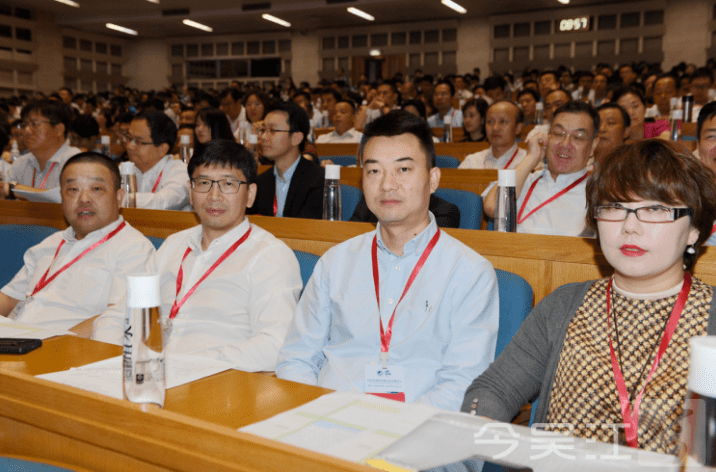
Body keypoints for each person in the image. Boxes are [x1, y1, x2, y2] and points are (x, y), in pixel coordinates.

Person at [462, 139, 716, 455]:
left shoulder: (711, 317)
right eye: (614, 208)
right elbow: (494, 390)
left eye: (655, 209)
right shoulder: (564, 306)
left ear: (694, 229)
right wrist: (488, 429)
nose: (630, 226)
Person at [276, 110, 499, 411]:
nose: (387, 185)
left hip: (419, 426)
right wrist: (315, 411)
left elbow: (462, 384)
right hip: (327, 417)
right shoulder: (336, 262)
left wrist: (391, 427)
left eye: (403, 169)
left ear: (433, 179)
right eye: (374, 171)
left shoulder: (470, 273)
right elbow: (297, 357)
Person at [93, 140, 301, 370]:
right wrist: (111, 359)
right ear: (190, 193)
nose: (214, 196)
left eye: (228, 184)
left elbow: (275, 343)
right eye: (203, 183)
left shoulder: (270, 256)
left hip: (217, 380)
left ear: (250, 195)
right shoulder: (174, 245)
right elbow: (120, 314)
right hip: (147, 374)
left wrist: (189, 364)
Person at [0, 152, 154, 331]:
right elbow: (9, 298)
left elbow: (119, 319)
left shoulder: (134, 249)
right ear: (62, 198)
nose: (84, 199)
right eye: (73, 190)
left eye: (96, 189)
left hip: (64, 345)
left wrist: (56, 343)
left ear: (119, 198)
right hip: (17, 337)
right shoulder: (51, 242)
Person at [483, 101, 599, 236]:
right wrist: (531, 157)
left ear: (593, 146)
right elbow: (492, 207)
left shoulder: (598, 195)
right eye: (558, 133)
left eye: (578, 137)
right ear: (547, 137)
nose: (565, 144)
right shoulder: (523, 179)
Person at [248, 101, 324, 219]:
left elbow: (308, 226)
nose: (263, 137)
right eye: (263, 130)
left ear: (296, 138)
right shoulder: (260, 182)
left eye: (272, 131)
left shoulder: (318, 180)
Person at [2, 100, 81, 198]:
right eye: (24, 124)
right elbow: (4, 190)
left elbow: (69, 196)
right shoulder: (21, 162)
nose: (27, 130)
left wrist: (16, 189)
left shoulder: (77, 161)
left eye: (35, 124)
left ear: (59, 129)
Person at [126, 110, 190, 210]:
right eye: (129, 138)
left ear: (162, 148)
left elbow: (162, 202)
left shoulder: (180, 170)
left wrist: (120, 198)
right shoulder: (123, 169)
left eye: (138, 141)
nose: (130, 146)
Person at [459, 100, 526, 170]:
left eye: (503, 121)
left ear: (518, 128)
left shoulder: (528, 161)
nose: (495, 128)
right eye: (490, 121)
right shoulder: (471, 162)